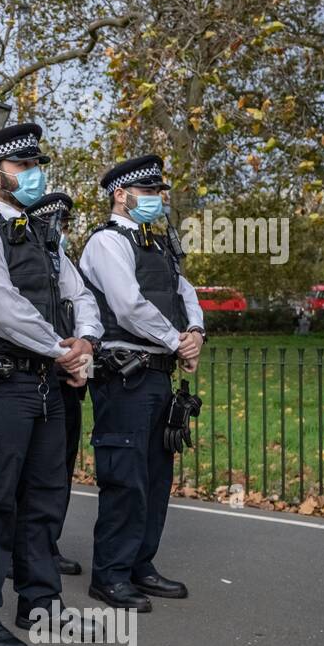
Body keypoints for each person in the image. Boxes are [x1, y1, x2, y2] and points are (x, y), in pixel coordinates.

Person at [0, 125, 102, 646]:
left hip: (46, 382)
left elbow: (78, 292)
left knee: (44, 498)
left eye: (37, 165)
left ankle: (41, 603)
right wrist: (62, 351)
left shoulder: (45, 234)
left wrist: (85, 342)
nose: (35, 175)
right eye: (24, 167)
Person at [78, 155, 205, 611]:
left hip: (158, 373)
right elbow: (129, 307)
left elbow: (183, 291)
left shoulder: (158, 243)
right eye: (148, 192)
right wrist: (177, 341)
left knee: (155, 475)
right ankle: (110, 574)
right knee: (125, 477)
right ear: (121, 194)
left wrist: (195, 334)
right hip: (123, 376)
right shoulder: (107, 243)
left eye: (158, 193)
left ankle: (139, 565)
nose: (156, 200)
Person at [26, 191, 86, 577]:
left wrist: (83, 357)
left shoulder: (59, 260)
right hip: (36, 372)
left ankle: (47, 544)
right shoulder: (22, 257)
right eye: (53, 223)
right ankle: (24, 550)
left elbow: (82, 305)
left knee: (58, 470)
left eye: (63, 224)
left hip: (68, 376)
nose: (59, 231)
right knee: (28, 475)